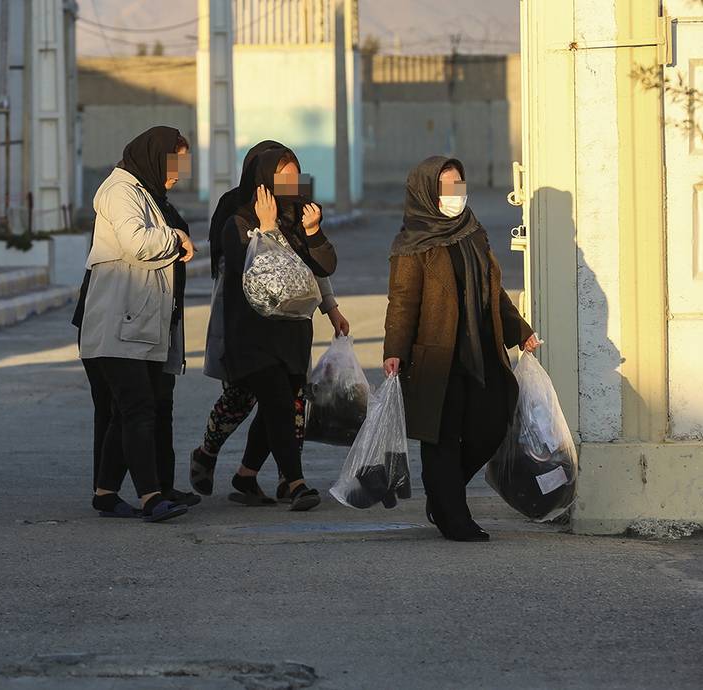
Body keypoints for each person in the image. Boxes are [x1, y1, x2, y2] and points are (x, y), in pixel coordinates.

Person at [383, 156, 540, 542]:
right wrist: (394, 350)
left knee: (491, 426)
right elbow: (402, 301)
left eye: (459, 186)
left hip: (480, 349)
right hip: (436, 355)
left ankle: (442, 493)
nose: (456, 195)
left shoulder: (473, 231)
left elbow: (493, 290)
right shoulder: (412, 244)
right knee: (442, 437)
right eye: (447, 187)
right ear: (427, 193)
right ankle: (453, 517)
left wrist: (520, 330)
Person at [190, 141, 350, 505]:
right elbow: (260, 273)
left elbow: (319, 267)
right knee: (263, 399)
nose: (291, 189)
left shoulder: (297, 218)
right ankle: (293, 482)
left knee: (284, 400)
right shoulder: (238, 219)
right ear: (261, 180)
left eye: (295, 180)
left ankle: (247, 476)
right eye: (283, 180)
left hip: (291, 331)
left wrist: (313, 235)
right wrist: (268, 229)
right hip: (251, 332)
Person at [77, 126, 197, 522]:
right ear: (154, 156)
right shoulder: (120, 190)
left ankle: (105, 493)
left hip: (138, 324)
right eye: (174, 162)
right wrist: (177, 235)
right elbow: (138, 242)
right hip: (117, 323)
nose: (179, 172)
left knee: (126, 412)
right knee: (137, 408)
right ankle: (150, 497)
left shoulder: (145, 192)